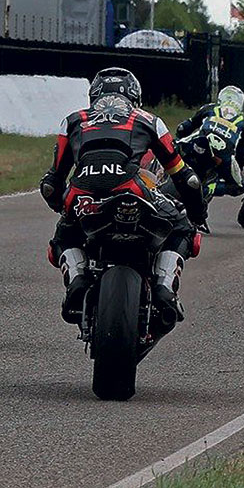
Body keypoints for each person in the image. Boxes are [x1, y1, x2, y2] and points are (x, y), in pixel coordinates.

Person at [39, 67, 207, 328]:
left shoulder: (73, 121)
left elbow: (52, 182)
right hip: (133, 189)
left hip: (82, 195)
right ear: (135, 97)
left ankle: (77, 279)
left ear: (93, 97)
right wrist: (197, 213)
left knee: (62, 237)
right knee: (183, 228)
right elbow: (185, 177)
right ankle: (164, 287)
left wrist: (62, 207)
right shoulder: (149, 120)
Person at [175, 85, 244, 197]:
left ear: (220, 99)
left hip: (198, 143)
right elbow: (243, 152)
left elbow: (185, 127)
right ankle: (207, 189)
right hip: (222, 156)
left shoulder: (210, 107)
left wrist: (178, 137)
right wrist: (239, 167)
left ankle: (158, 174)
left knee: (169, 148)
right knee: (240, 187)